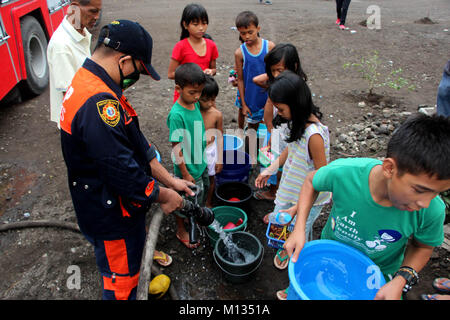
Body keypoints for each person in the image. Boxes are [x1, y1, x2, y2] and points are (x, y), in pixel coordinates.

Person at [59, 20, 195, 300]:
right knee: (120, 282)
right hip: (110, 214)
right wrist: (163, 195)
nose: (137, 78)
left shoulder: (92, 82)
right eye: (138, 70)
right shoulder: (99, 104)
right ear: (125, 61)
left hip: (110, 204)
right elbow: (122, 170)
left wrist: (171, 180)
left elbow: (136, 142)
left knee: (128, 265)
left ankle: (135, 282)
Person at [285, 113, 450, 300]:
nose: (425, 203)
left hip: (378, 276)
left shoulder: (432, 210)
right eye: (419, 190)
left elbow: (423, 247)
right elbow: (310, 181)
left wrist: (401, 279)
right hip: (329, 257)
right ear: (389, 168)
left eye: (437, 193)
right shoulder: (344, 174)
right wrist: (299, 229)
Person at [254, 71, 331, 300]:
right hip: (291, 186)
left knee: (300, 231)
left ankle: (299, 280)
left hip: (309, 198)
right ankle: (287, 246)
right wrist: (272, 168)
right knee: (282, 219)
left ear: (296, 104)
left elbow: (321, 178)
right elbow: (290, 149)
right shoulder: (294, 123)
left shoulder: (314, 136)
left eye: (281, 108)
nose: (278, 113)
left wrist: (298, 208)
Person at [253, 43, 308, 202]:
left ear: (295, 66)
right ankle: (275, 190)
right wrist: (270, 131)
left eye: (280, 70)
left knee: (286, 165)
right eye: (272, 71)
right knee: (276, 160)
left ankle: (278, 193)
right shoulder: (277, 85)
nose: (276, 75)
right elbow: (270, 113)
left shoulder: (296, 90)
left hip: (289, 135)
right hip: (277, 130)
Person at [167, 63, 209, 249]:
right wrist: (184, 173)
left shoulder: (195, 104)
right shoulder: (176, 115)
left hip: (200, 163)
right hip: (188, 170)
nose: (197, 96)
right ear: (178, 88)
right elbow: (177, 147)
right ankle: (181, 228)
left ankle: (197, 217)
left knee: (199, 196)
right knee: (183, 202)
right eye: (192, 92)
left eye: (199, 91)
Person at [47, 0, 102, 128]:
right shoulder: (62, 46)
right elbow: (70, 97)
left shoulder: (80, 32)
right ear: (76, 8)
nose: (97, 17)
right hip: (78, 123)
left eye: (99, 11)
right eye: (93, 11)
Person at [168, 3, 219, 103]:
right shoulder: (180, 46)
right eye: (196, 24)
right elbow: (170, 74)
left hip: (204, 96)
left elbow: (214, 69)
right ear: (185, 25)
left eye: (204, 23)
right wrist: (194, 76)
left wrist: (211, 72)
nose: (201, 28)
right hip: (185, 97)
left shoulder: (211, 45)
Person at [234, 10, 275, 132]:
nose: (246, 36)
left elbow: (276, 72)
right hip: (250, 95)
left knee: (268, 123)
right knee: (251, 123)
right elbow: (240, 79)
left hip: (267, 93)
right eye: (243, 33)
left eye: (250, 32)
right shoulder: (239, 53)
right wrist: (244, 104)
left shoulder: (269, 47)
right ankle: (241, 133)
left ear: (258, 28)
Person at [199, 75, 224, 208]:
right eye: (205, 100)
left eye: (213, 99)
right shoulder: (192, 112)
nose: (209, 103)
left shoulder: (216, 114)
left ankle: (208, 201)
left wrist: (219, 159)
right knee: (197, 179)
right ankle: (197, 203)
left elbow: (219, 137)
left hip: (210, 151)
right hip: (197, 152)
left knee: (211, 178)